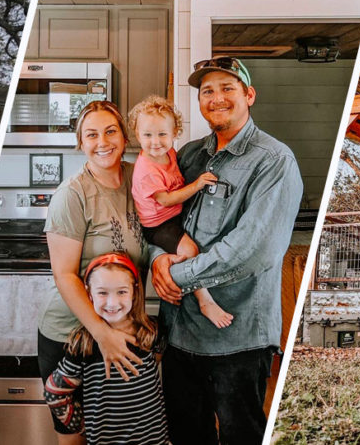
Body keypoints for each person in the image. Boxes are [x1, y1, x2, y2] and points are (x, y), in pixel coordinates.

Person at [151, 57, 303, 445]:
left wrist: (176, 275)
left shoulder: (274, 161)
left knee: (241, 436)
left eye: (227, 88)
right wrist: (156, 262)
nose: (216, 98)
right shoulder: (186, 156)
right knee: (187, 436)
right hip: (180, 333)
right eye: (207, 91)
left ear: (249, 95)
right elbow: (158, 219)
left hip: (237, 338)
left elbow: (255, 250)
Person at [38, 101, 146, 445]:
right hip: (72, 332)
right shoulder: (72, 195)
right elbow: (66, 276)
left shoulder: (140, 178)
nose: (103, 141)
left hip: (120, 328)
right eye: (92, 134)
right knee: (76, 434)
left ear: (124, 136)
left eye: (110, 131)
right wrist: (101, 334)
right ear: (81, 143)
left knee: (117, 431)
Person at [128, 95, 232, 328]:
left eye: (162, 134)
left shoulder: (170, 154)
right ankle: (204, 300)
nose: (155, 142)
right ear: (137, 135)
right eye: (147, 135)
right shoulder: (147, 169)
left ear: (175, 133)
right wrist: (196, 185)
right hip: (158, 225)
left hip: (173, 217)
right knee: (191, 249)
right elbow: (166, 200)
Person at [44, 252, 169, 445]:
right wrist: (82, 427)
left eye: (122, 292)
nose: (112, 303)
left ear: (135, 291)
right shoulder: (84, 344)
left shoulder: (152, 332)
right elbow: (54, 391)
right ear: (88, 293)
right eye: (102, 292)